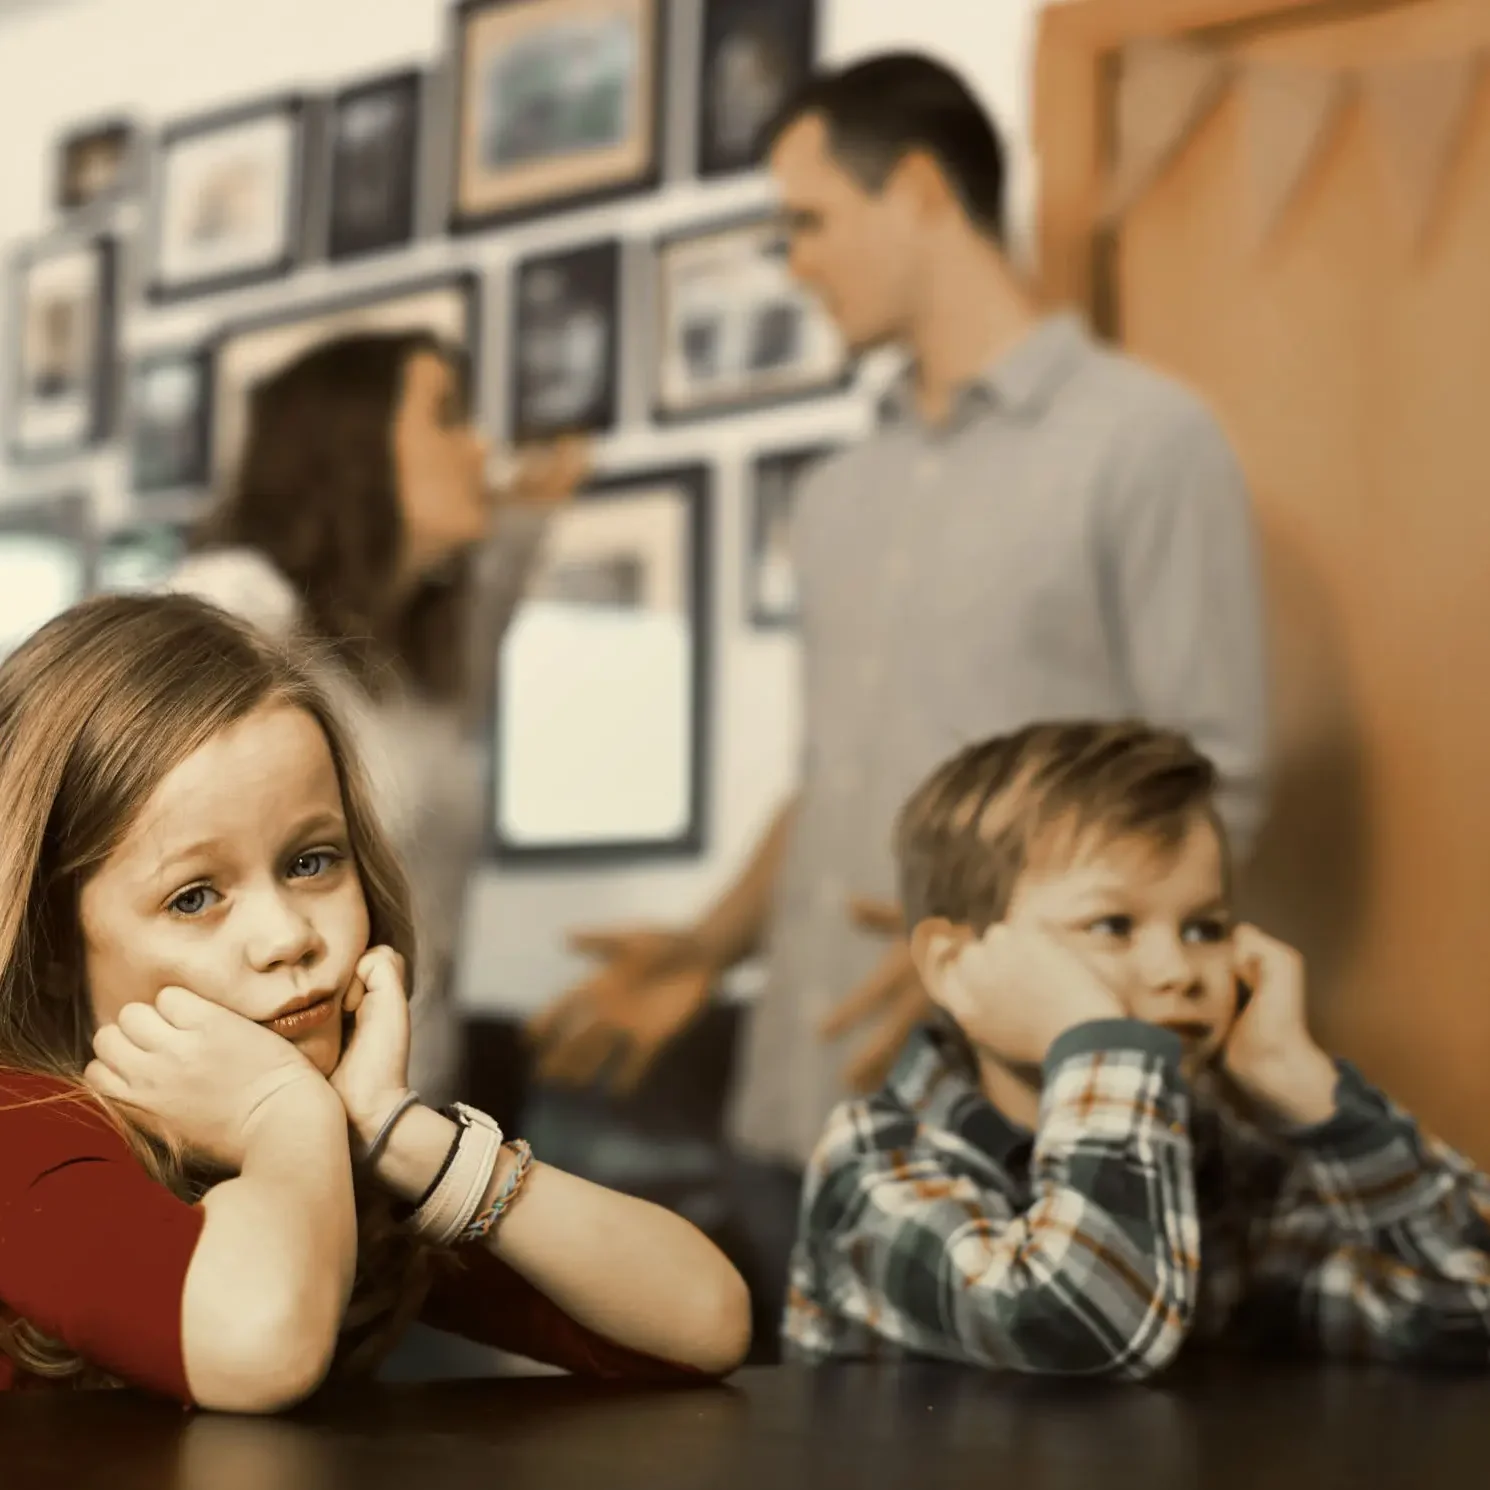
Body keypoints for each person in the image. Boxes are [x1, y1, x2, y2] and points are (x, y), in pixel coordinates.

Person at [527, 52, 1270, 1349]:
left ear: (920, 188)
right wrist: (708, 945)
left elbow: (1217, 778)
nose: (792, 260)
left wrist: (1021, 957)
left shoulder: (1145, 442)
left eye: (806, 220)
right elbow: (833, 775)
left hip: (1010, 1131)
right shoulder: (834, 492)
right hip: (785, 1107)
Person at [0, 594, 751, 1409]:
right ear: (53, 953)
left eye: (311, 862)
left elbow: (705, 1320)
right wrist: (284, 1117)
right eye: (194, 898)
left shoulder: (325, 1140)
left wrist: (399, 1136)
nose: (288, 935)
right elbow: (256, 1349)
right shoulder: (22, 1130)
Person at [785, 720, 1490, 1373]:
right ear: (953, 966)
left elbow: (1463, 1306)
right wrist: (1105, 1046)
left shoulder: (1217, 1161)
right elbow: (1083, 1326)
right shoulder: (875, 1163)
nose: (1178, 972)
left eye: (1204, 929)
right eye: (1112, 925)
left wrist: (1312, 1098)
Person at [168, 330, 586, 1114]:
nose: (481, 448)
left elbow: (494, 592)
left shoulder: (423, 656)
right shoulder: (248, 599)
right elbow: (97, 702)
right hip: (279, 1109)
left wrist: (529, 517)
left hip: (420, 1094)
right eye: (449, 417)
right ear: (350, 445)